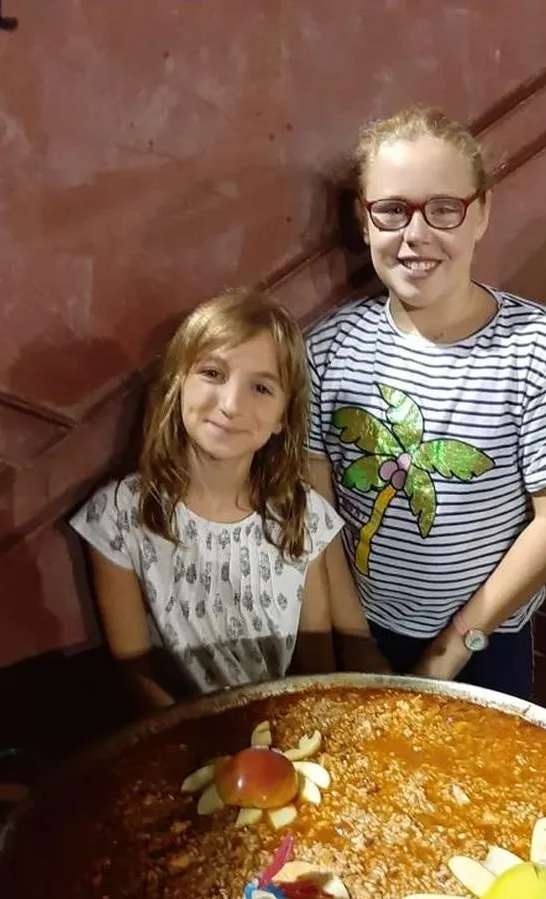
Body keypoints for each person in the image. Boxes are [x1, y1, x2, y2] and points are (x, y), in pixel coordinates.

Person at [306, 105, 546, 699]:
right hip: (363, 632)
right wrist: (356, 640)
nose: (416, 235)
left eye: (444, 209)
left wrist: (451, 650)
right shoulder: (327, 349)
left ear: (482, 214)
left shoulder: (537, 347)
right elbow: (316, 509)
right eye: (392, 210)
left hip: (486, 639)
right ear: (364, 221)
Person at [70, 289, 343, 714]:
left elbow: (317, 659)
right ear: (178, 384)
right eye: (213, 373)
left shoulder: (301, 514)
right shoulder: (119, 515)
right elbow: (136, 673)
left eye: (261, 387)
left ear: (282, 419)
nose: (231, 405)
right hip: (182, 731)